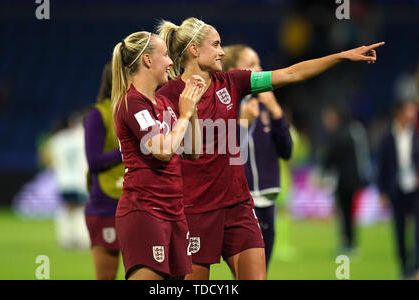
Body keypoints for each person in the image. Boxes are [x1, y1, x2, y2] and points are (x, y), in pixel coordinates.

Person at [156, 17, 384, 280]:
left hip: (238, 206)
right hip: (195, 209)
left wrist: (341, 56)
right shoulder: (168, 97)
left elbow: (290, 73)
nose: (222, 51)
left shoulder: (232, 82)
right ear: (194, 49)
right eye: (216, 45)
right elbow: (183, 153)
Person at [111, 31, 206, 280]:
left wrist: (192, 109)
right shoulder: (133, 103)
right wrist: (184, 115)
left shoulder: (163, 104)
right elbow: (162, 151)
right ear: (147, 60)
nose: (171, 62)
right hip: (145, 211)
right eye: (165, 55)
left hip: (174, 212)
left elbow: (193, 151)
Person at [222, 44, 293, 272]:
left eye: (259, 63)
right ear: (233, 71)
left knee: (261, 272)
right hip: (239, 202)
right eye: (251, 65)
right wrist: (243, 121)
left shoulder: (266, 106)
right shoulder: (226, 105)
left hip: (266, 201)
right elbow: (226, 154)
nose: (260, 69)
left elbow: (287, 151)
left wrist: (277, 111)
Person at [84, 63, 125, 280]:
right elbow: (94, 160)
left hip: (139, 204)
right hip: (107, 204)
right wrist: (127, 148)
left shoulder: (145, 109)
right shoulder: (98, 114)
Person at [377, 97, 418, 280]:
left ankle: (416, 267)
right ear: (399, 112)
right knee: (399, 230)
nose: (412, 115)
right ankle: (403, 267)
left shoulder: (416, 135)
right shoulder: (387, 138)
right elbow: (382, 166)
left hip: (415, 188)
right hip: (396, 189)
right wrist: (383, 192)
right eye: (409, 110)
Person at [321, 104, 370, 255]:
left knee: (345, 213)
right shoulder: (350, 132)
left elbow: (331, 158)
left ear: (335, 117)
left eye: (328, 118)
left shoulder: (339, 135)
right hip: (351, 179)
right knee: (348, 213)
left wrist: (323, 170)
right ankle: (350, 243)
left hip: (344, 181)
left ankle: (348, 243)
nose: (326, 122)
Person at [47, 112, 90, 250]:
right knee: (81, 209)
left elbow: (46, 157)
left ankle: (66, 239)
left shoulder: (58, 139)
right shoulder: (84, 138)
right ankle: (82, 239)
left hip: (63, 180)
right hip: (79, 180)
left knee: (66, 209)